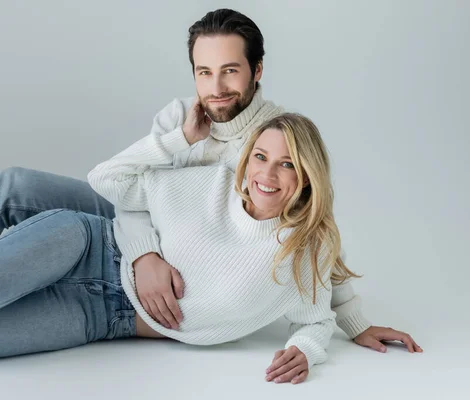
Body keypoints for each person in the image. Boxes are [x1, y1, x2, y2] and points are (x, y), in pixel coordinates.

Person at [0, 8, 422, 355]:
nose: (215, 89)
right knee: (15, 187)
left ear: (257, 71)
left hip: (160, 251)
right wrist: (145, 253)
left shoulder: (270, 146)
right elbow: (132, 192)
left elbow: (318, 232)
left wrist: (353, 322)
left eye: (230, 71)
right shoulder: (181, 118)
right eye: (204, 72)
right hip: (135, 223)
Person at [2, 113, 354, 384]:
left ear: (307, 175)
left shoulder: (307, 251)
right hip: (89, 246)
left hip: (103, 319)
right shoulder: (213, 184)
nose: (267, 174)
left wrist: (305, 350)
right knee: (13, 188)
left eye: (287, 164)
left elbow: (317, 320)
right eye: (260, 157)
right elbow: (110, 180)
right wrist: (179, 139)